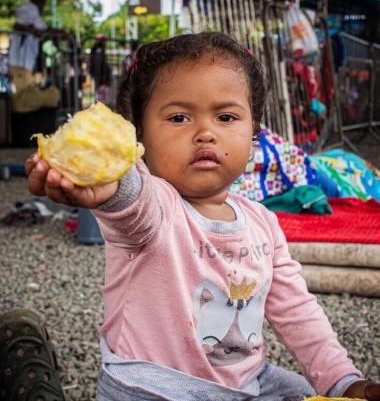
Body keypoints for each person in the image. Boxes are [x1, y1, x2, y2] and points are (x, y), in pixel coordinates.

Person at [22, 32, 380, 400]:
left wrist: (341, 381)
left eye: (226, 116)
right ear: (139, 137)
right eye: (179, 117)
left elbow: (297, 312)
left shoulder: (263, 223)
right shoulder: (158, 206)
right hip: (151, 388)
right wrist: (107, 176)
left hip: (246, 383)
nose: (205, 133)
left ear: (253, 134)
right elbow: (132, 202)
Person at [9, 0, 66, 94]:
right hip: (21, 62)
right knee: (22, 96)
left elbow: (41, 28)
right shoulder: (30, 9)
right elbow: (17, 25)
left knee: (23, 93)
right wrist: (33, 30)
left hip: (22, 62)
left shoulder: (29, 10)